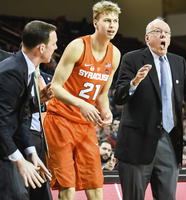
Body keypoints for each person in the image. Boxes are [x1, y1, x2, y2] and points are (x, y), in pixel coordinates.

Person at [113, 17, 186, 200]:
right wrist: (135, 82)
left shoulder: (179, 62)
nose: (164, 35)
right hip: (137, 142)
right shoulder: (132, 59)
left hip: (169, 142)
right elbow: (119, 97)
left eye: (167, 33)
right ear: (147, 38)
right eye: (158, 31)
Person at [43, 1, 121, 199]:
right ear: (96, 23)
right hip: (60, 120)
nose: (112, 25)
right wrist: (81, 103)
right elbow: (55, 87)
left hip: (85, 125)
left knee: (95, 187)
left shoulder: (115, 54)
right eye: (107, 20)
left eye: (115, 21)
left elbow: (102, 94)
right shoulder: (78, 46)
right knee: (67, 188)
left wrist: (106, 111)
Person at [0, 20, 56, 200]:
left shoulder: (27, 68)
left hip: (8, 144)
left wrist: (31, 154)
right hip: (4, 148)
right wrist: (20, 160)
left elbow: (22, 116)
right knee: (17, 194)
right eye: (53, 44)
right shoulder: (12, 71)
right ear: (41, 48)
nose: (55, 48)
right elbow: (1, 123)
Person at [29, 65, 54, 200]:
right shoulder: (21, 75)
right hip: (28, 134)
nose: (55, 48)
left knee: (43, 187)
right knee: (28, 185)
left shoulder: (49, 78)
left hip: (47, 137)